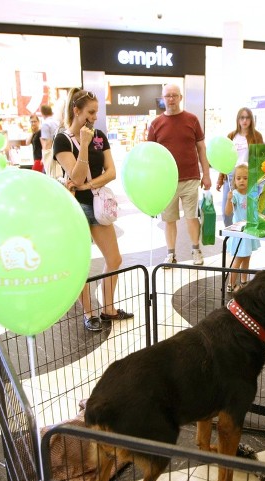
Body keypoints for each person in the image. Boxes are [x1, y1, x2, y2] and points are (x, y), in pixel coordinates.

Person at [53, 87, 133, 333]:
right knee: (80, 263)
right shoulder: (62, 139)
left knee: (114, 259)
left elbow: (111, 171)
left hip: (97, 204)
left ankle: (108, 308)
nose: (94, 117)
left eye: (96, 112)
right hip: (75, 207)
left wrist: (88, 184)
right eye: (90, 112)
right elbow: (74, 176)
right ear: (76, 111)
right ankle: (89, 313)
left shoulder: (100, 135)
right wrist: (84, 145)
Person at [147, 83, 211, 266]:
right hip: (167, 182)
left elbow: (201, 148)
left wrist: (206, 174)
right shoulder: (155, 124)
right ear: (163, 98)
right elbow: (150, 154)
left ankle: (196, 250)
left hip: (191, 177)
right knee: (169, 219)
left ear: (181, 97)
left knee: (192, 217)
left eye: (175, 95)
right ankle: (171, 253)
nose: (171, 99)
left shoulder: (192, 120)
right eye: (168, 96)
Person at [215, 107, 264, 225]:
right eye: (242, 117)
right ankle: (230, 236)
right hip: (231, 177)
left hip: (248, 177)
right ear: (238, 120)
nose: (244, 121)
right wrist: (220, 178)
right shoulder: (231, 136)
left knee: (245, 208)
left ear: (251, 120)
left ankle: (245, 237)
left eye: (247, 117)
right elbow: (224, 159)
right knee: (227, 209)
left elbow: (261, 158)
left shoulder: (257, 136)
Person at [223, 164, 258, 292]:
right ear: (235, 181)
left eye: (245, 178)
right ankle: (230, 285)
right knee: (238, 258)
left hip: (249, 229)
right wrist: (228, 200)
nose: (242, 180)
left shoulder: (252, 194)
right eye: (238, 178)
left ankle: (243, 281)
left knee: (247, 256)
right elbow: (227, 212)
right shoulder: (235, 195)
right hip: (239, 232)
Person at [39, 103, 60, 175]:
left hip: (50, 153)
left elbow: (47, 141)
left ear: (42, 113)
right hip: (58, 152)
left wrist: (44, 157)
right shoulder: (57, 122)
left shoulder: (45, 124)